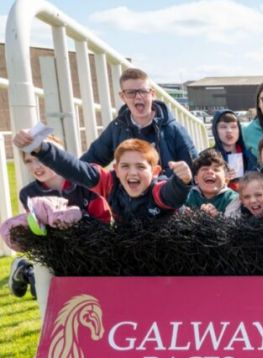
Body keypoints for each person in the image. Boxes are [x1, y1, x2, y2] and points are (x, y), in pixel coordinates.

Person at [7, 136, 111, 299]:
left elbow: (103, 222)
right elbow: (40, 233)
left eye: (40, 159)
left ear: (57, 156)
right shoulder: (28, 194)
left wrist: (77, 220)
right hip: (58, 254)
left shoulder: (85, 183)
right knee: (43, 292)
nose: (36, 167)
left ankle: (27, 270)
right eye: (29, 161)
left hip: (93, 250)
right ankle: (27, 271)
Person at [13, 132, 191, 222]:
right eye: (125, 166)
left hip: (173, 249)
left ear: (155, 171)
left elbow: (171, 194)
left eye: (140, 166)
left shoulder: (157, 189)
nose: (133, 172)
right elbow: (74, 168)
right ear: (116, 169)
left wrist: (181, 181)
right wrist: (41, 149)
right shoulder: (109, 183)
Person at [81, 68, 196, 176]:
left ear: (152, 94)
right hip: (130, 194)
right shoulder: (117, 128)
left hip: (166, 193)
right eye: (131, 93)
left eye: (143, 91)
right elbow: (91, 160)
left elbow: (195, 168)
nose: (138, 97)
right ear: (123, 97)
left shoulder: (174, 129)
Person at [185, 148, 240, 217]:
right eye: (205, 169)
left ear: (226, 179)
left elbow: (234, 224)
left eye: (216, 170)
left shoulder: (233, 199)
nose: (210, 172)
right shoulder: (187, 196)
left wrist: (217, 216)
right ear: (196, 179)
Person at [211, 110, 257, 188]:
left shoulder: (249, 155)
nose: (229, 131)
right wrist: (220, 179)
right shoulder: (208, 157)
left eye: (233, 127)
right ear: (215, 130)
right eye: (223, 127)